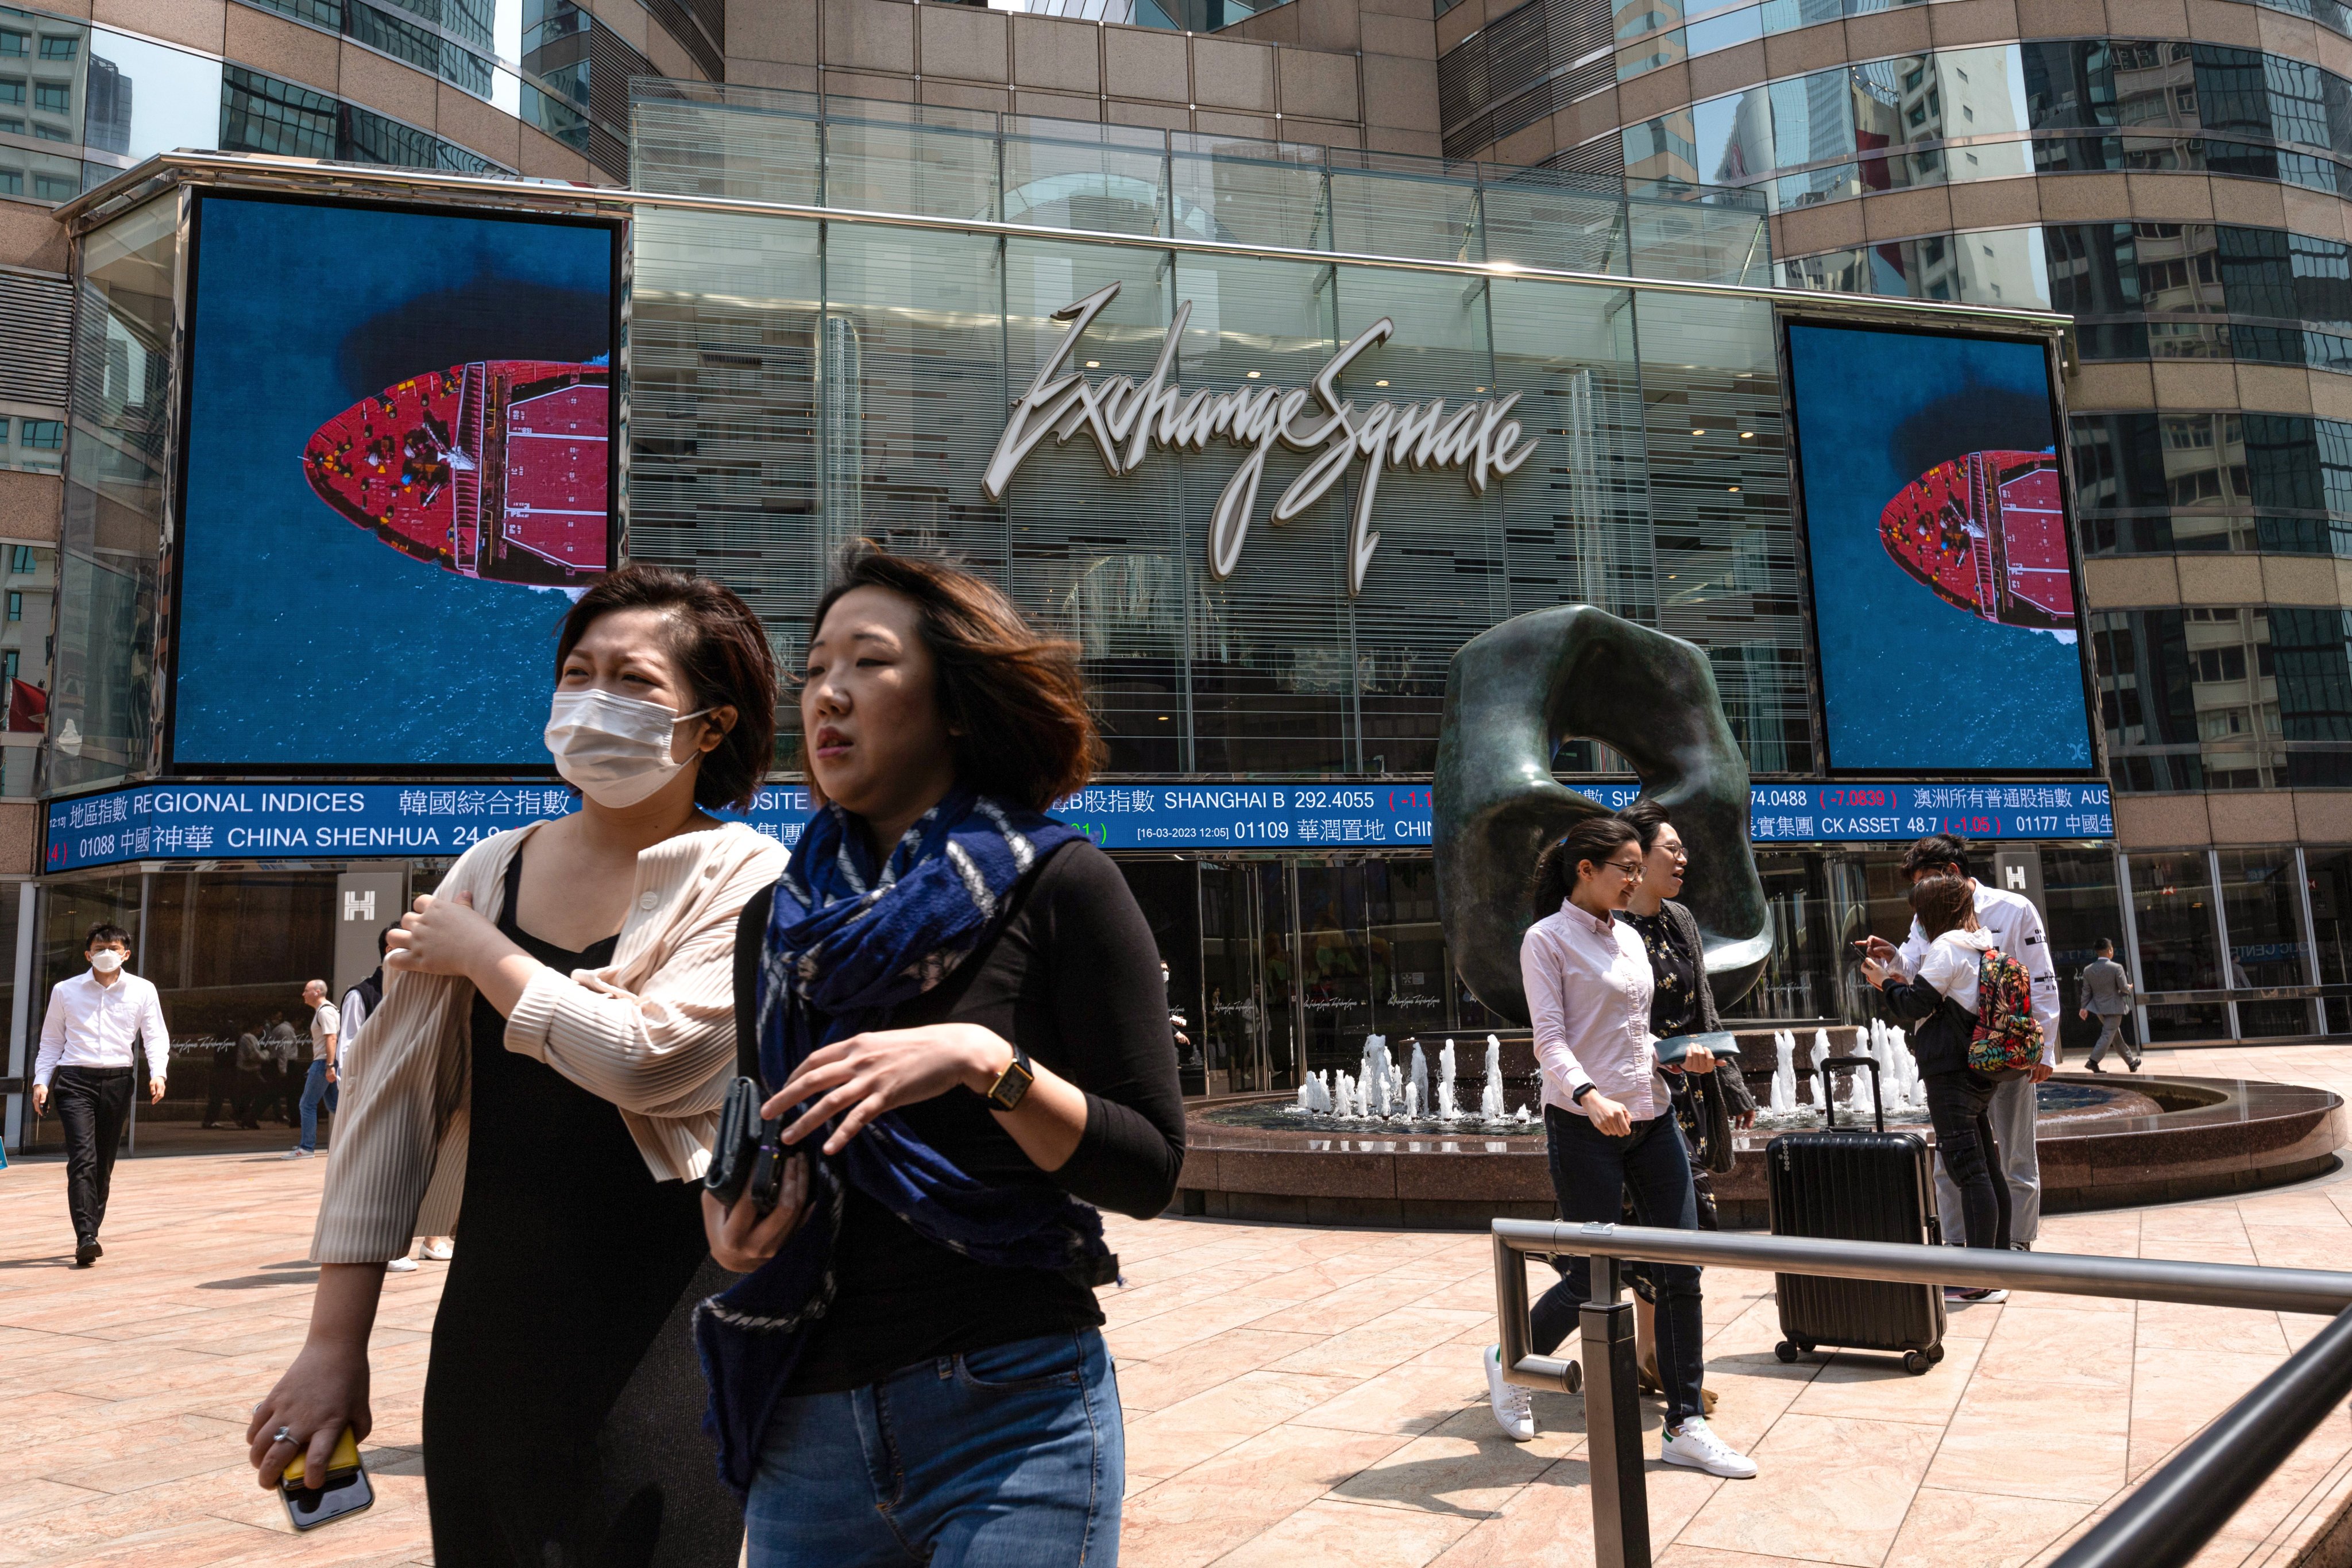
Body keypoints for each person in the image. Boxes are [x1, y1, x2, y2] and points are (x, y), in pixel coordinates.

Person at [248, 564, 790, 1567]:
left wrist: (487, 959)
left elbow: (651, 1059)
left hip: (670, 1340)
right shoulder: (485, 873)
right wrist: (335, 1345)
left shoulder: (750, 875)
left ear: (710, 728)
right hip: (490, 1342)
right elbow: (387, 1115)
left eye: (633, 682)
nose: (593, 701)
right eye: (577, 673)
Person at [698, 544, 1187, 1567]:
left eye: (869, 662)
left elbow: (1148, 1166)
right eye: (817, 666)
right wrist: (731, 1214)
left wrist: (981, 1059)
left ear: (955, 703)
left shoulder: (1064, 885)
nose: (828, 692)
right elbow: (767, 1127)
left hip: (1013, 1412)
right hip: (810, 1420)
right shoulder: (774, 928)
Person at [1482, 815, 1757, 1480]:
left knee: (1681, 1266)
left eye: (1640, 867)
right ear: (1586, 870)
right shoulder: (1545, 941)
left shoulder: (1632, 938)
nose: (1637, 880)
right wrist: (1588, 1096)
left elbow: (1636, 1035)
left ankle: (1685, 1422)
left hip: (1653, 1118)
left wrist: (1677, 1062)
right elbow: (1549, 1040)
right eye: (1627, 869)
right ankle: (1510, 1360)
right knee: (1589, 1271)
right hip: (1585, 1126)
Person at [1615, 800, 1756, 1409]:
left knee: (1681, 1227)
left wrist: (1732, 1082)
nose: (1682, 858)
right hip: (1636, 1101)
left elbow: (1703, 1007)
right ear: (1636, 859)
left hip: (1689, 1097)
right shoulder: (1610, 928)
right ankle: (1661, 1361)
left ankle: (1653, 1354)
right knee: (1658, 1227)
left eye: (1682, 850)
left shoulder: (1680, 920)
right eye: (1670, 849)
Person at [1857, 834, 2058, 1250]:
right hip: (1959, 1051)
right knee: (1961, 1160)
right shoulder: (1926, 920)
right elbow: (1917, 971)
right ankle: (1957, 1243)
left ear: (1950, 874)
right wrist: (1894, 959)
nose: (1917, 895)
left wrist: (2046, 1048)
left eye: (1923, 883)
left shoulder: (2013, 908)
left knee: (2013, 1154)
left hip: (2006, 1045)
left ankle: (2015, 1244)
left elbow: (2040, 979)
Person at [1863, 876, 2012, 1304]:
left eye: (1920, 911)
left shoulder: (1947, 947)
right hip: (1976, 1070)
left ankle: (1978, 1277)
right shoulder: (1978, 943)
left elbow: (1914, 1004)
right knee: (1986, 1166)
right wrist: (1895, 966)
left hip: (1950, 1073)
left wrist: (1882, 982)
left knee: (1969, 1171)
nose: (1917, 921)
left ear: (1935, 912)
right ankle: (1999, 1268)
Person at [32, 923, 171, 1266]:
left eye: (113, 947)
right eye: (99, 947)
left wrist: (159, 1072)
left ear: (126, 954)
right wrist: (41, 1081)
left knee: (104, 1162)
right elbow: (51, 1041)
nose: (106, 953)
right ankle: (86, 1236)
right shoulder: (66, 990)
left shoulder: (143, 990)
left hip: (118, 1082)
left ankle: (90, 1228)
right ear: (87, 954)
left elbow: (154, 1036)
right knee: (83, 1158)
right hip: (75, 1080)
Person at [286, 979, 340, 1159]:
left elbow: (332, 1038)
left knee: (307, 1104)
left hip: (324, 1063)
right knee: (337, 1106)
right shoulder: (325, 1011)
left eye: (306, 990)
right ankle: (360, 1141)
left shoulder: (325, 1012)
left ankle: (306, 1148)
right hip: (325, 1062)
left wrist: (330, 1066)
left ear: (317, 992)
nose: (303, 994)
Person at [2080, 939, 2139, 1073]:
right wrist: (2129, 987)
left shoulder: (2088, 970)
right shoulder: (2116, 968)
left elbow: (2086, 991)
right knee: (2108, 1035)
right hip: (2114, 1008)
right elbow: (2124, 988)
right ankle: (2093, 1061)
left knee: (2115, 1037)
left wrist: (2084, 1007)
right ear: (2110, 951)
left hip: (2099, 1009)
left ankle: (2132, 1063)